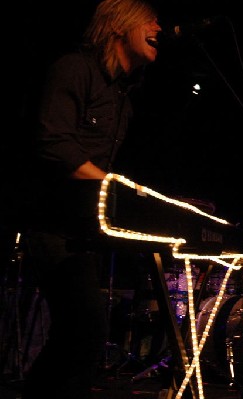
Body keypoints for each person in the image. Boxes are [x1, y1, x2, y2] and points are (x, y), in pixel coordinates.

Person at [17, 1, 162, 398]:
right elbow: (53, 142)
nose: (159, 27)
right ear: (119, 24)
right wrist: (114, 187)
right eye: (149, 19)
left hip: (82, 230)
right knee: (83, 330)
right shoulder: (74, 69)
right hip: (49, 225)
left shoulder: (123, 100)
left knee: (80, 336)